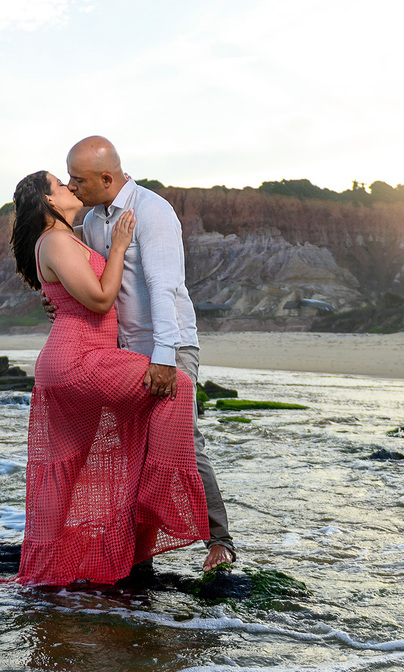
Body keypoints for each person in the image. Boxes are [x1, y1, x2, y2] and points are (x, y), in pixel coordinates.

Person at [8, 170, 214, 586]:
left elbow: (72, 293)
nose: (70, 188)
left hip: (81, 355)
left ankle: (52, 571)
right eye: (61, 185)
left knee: (64, 468)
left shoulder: (72, 233)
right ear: (49, 202)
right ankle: (155, 508)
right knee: (176, 387)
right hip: (79, 358)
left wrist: (61, 304)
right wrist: (119, 246)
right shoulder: (59, 239)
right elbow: (101, 299)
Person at [62, 136, 235, 572]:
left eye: (78, 179)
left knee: (184, 445)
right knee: (131, 450)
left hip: (169, 347)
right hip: (123, 352)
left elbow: (165, 286)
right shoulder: (96, 221)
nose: (72, 186)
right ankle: (136, 554)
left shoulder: (151, 210)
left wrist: (164, 356)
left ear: (107, 177)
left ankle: (221, 542)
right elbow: (95, 281)